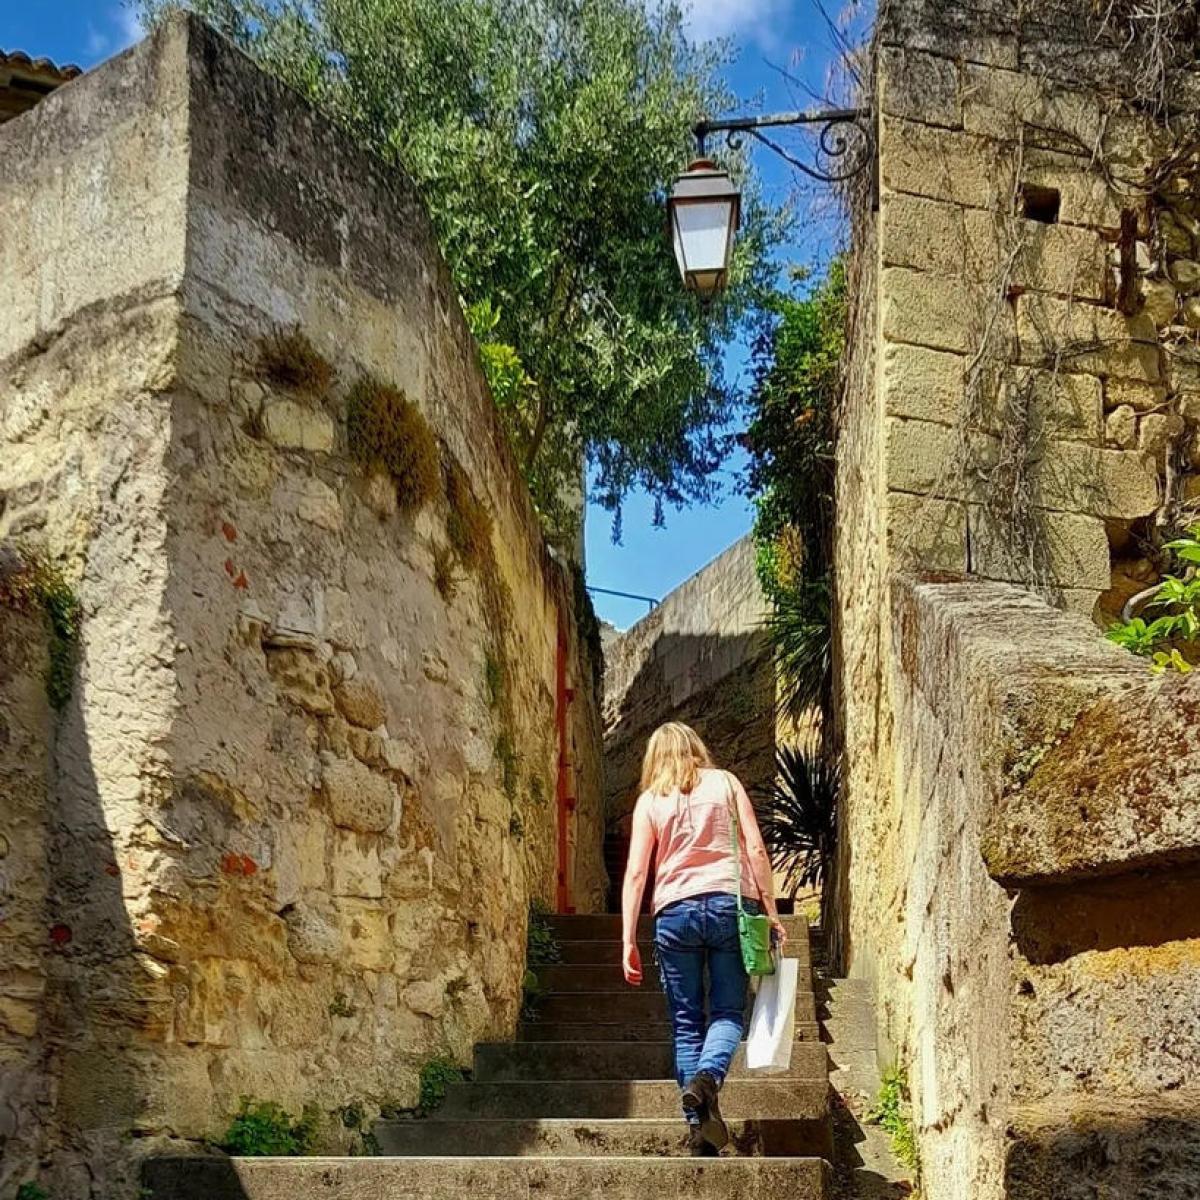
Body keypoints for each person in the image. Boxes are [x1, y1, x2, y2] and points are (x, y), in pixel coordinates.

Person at [620, 721, 786, 1156]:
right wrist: (770, 910)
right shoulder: (726, 783)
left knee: (686, 1024)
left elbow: (637, 872)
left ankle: (699, 1132)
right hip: (732, 904)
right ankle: (708, 1079)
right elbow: (755, 849)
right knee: (729, 1012)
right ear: (697, 748)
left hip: (674, 913)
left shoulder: (649, 801)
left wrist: (627, 939)